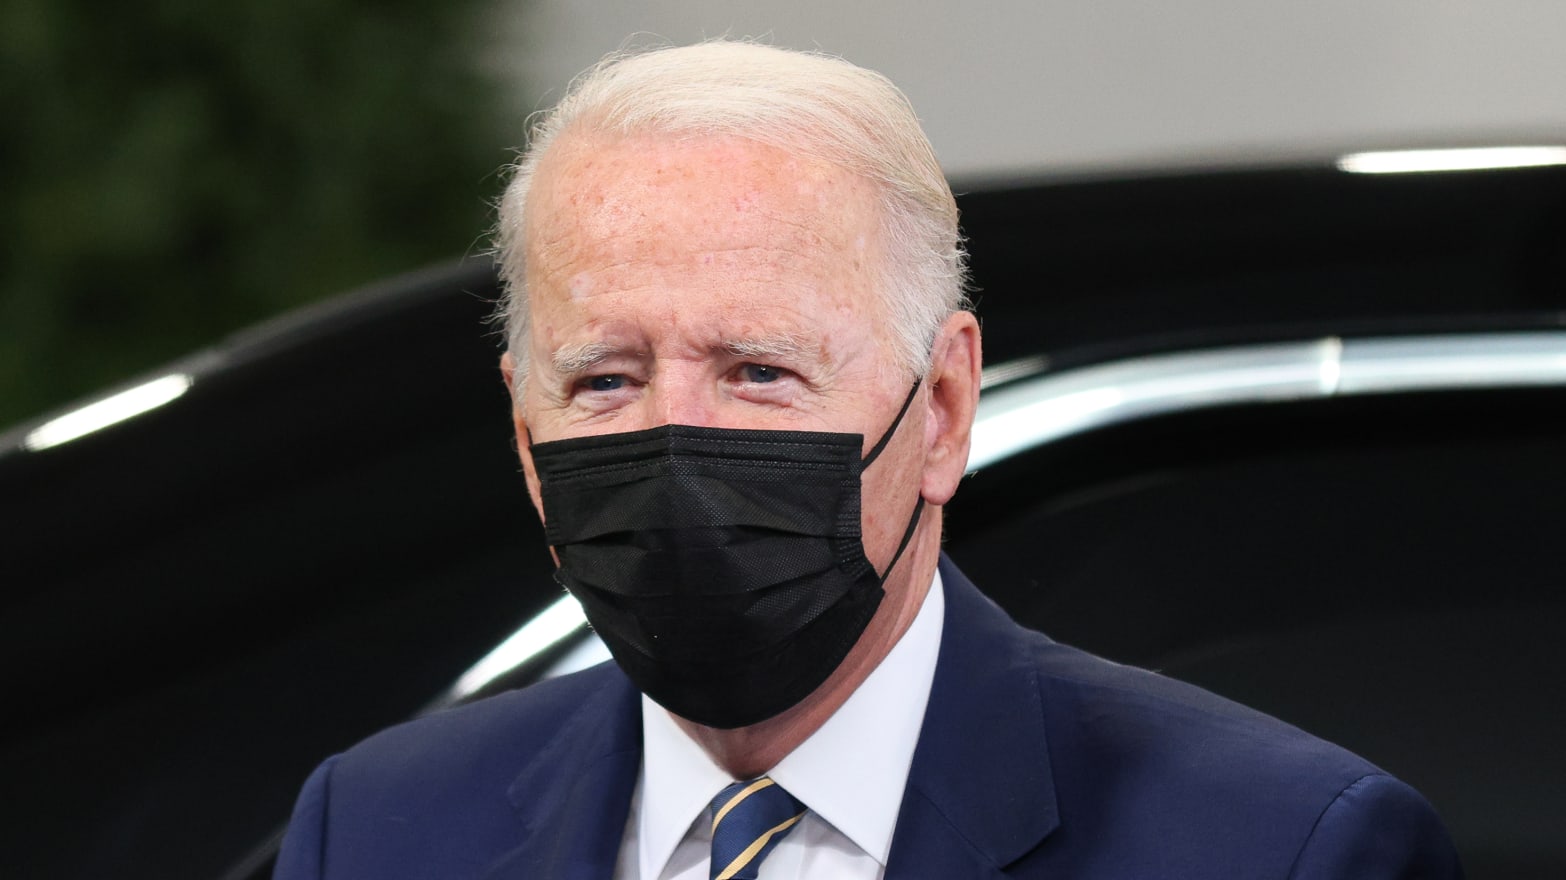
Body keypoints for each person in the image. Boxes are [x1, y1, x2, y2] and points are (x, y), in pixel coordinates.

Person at [274, 40, 1462, 879]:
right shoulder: (378, 831)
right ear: (527, 436)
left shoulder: (1279, 849)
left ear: (941, 407)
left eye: (759, 370)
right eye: (605, 380)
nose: (675, 445)